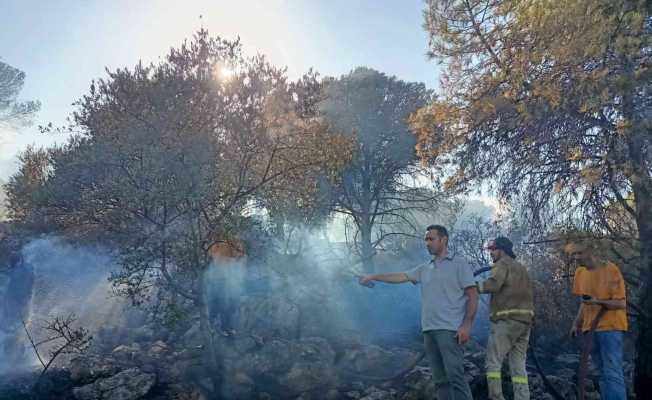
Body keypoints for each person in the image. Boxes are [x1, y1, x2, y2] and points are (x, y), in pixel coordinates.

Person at [359, 225, 478, 400]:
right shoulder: (425, 268)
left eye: (431, 239)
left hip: (450, 330)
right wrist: (373, 276)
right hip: (429, 330)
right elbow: (400, 276)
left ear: (443, 240)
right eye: (426, 240)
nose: (427, 243)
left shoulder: (459, 263)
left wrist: (467, 325)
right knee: (440, 380)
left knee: (456, 377)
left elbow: (472, 295)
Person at [568, 242, 627, 400]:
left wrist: (597, 301)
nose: (576, 258)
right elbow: (584, 302)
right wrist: (576, 323)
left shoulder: (610, 269)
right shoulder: (580, 273)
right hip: (590, 330)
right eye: (574, 254)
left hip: (611, 328)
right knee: (601, 374)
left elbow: (621, 303)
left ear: (590, 250)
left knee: (612, 372)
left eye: (579, 253)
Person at [477, 237, 534, 400]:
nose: (491, 253)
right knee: (518, 366)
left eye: (493, 249)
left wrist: (472, 287)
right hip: (524, 323)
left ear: (502, 250)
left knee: (492, 362)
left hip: (506, 320)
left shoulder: (502, 264)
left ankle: (496, 397)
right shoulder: (521, 268)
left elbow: (494, 284)